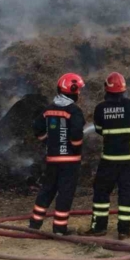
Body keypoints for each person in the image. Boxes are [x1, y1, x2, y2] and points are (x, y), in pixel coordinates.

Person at [84, 72, 130, 240]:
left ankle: (99, 227)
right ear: (124, 89)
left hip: (110, 159)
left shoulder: (101, 108)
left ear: (106, 90)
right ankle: (124, 230)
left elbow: (99, 130)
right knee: (127, 192)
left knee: (101, 191)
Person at [29, 73, 86, 235]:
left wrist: (48, 141)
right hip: (69, 161)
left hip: (52, 159)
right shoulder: (74, 110)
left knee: (47, 190)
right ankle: (59, 228)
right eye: (78, 90)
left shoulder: (48, 109)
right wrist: (76, 147)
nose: (79, 93)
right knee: (65, 193)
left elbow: (37, 127)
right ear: (72, 90)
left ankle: (34, 225)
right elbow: (76, 133)